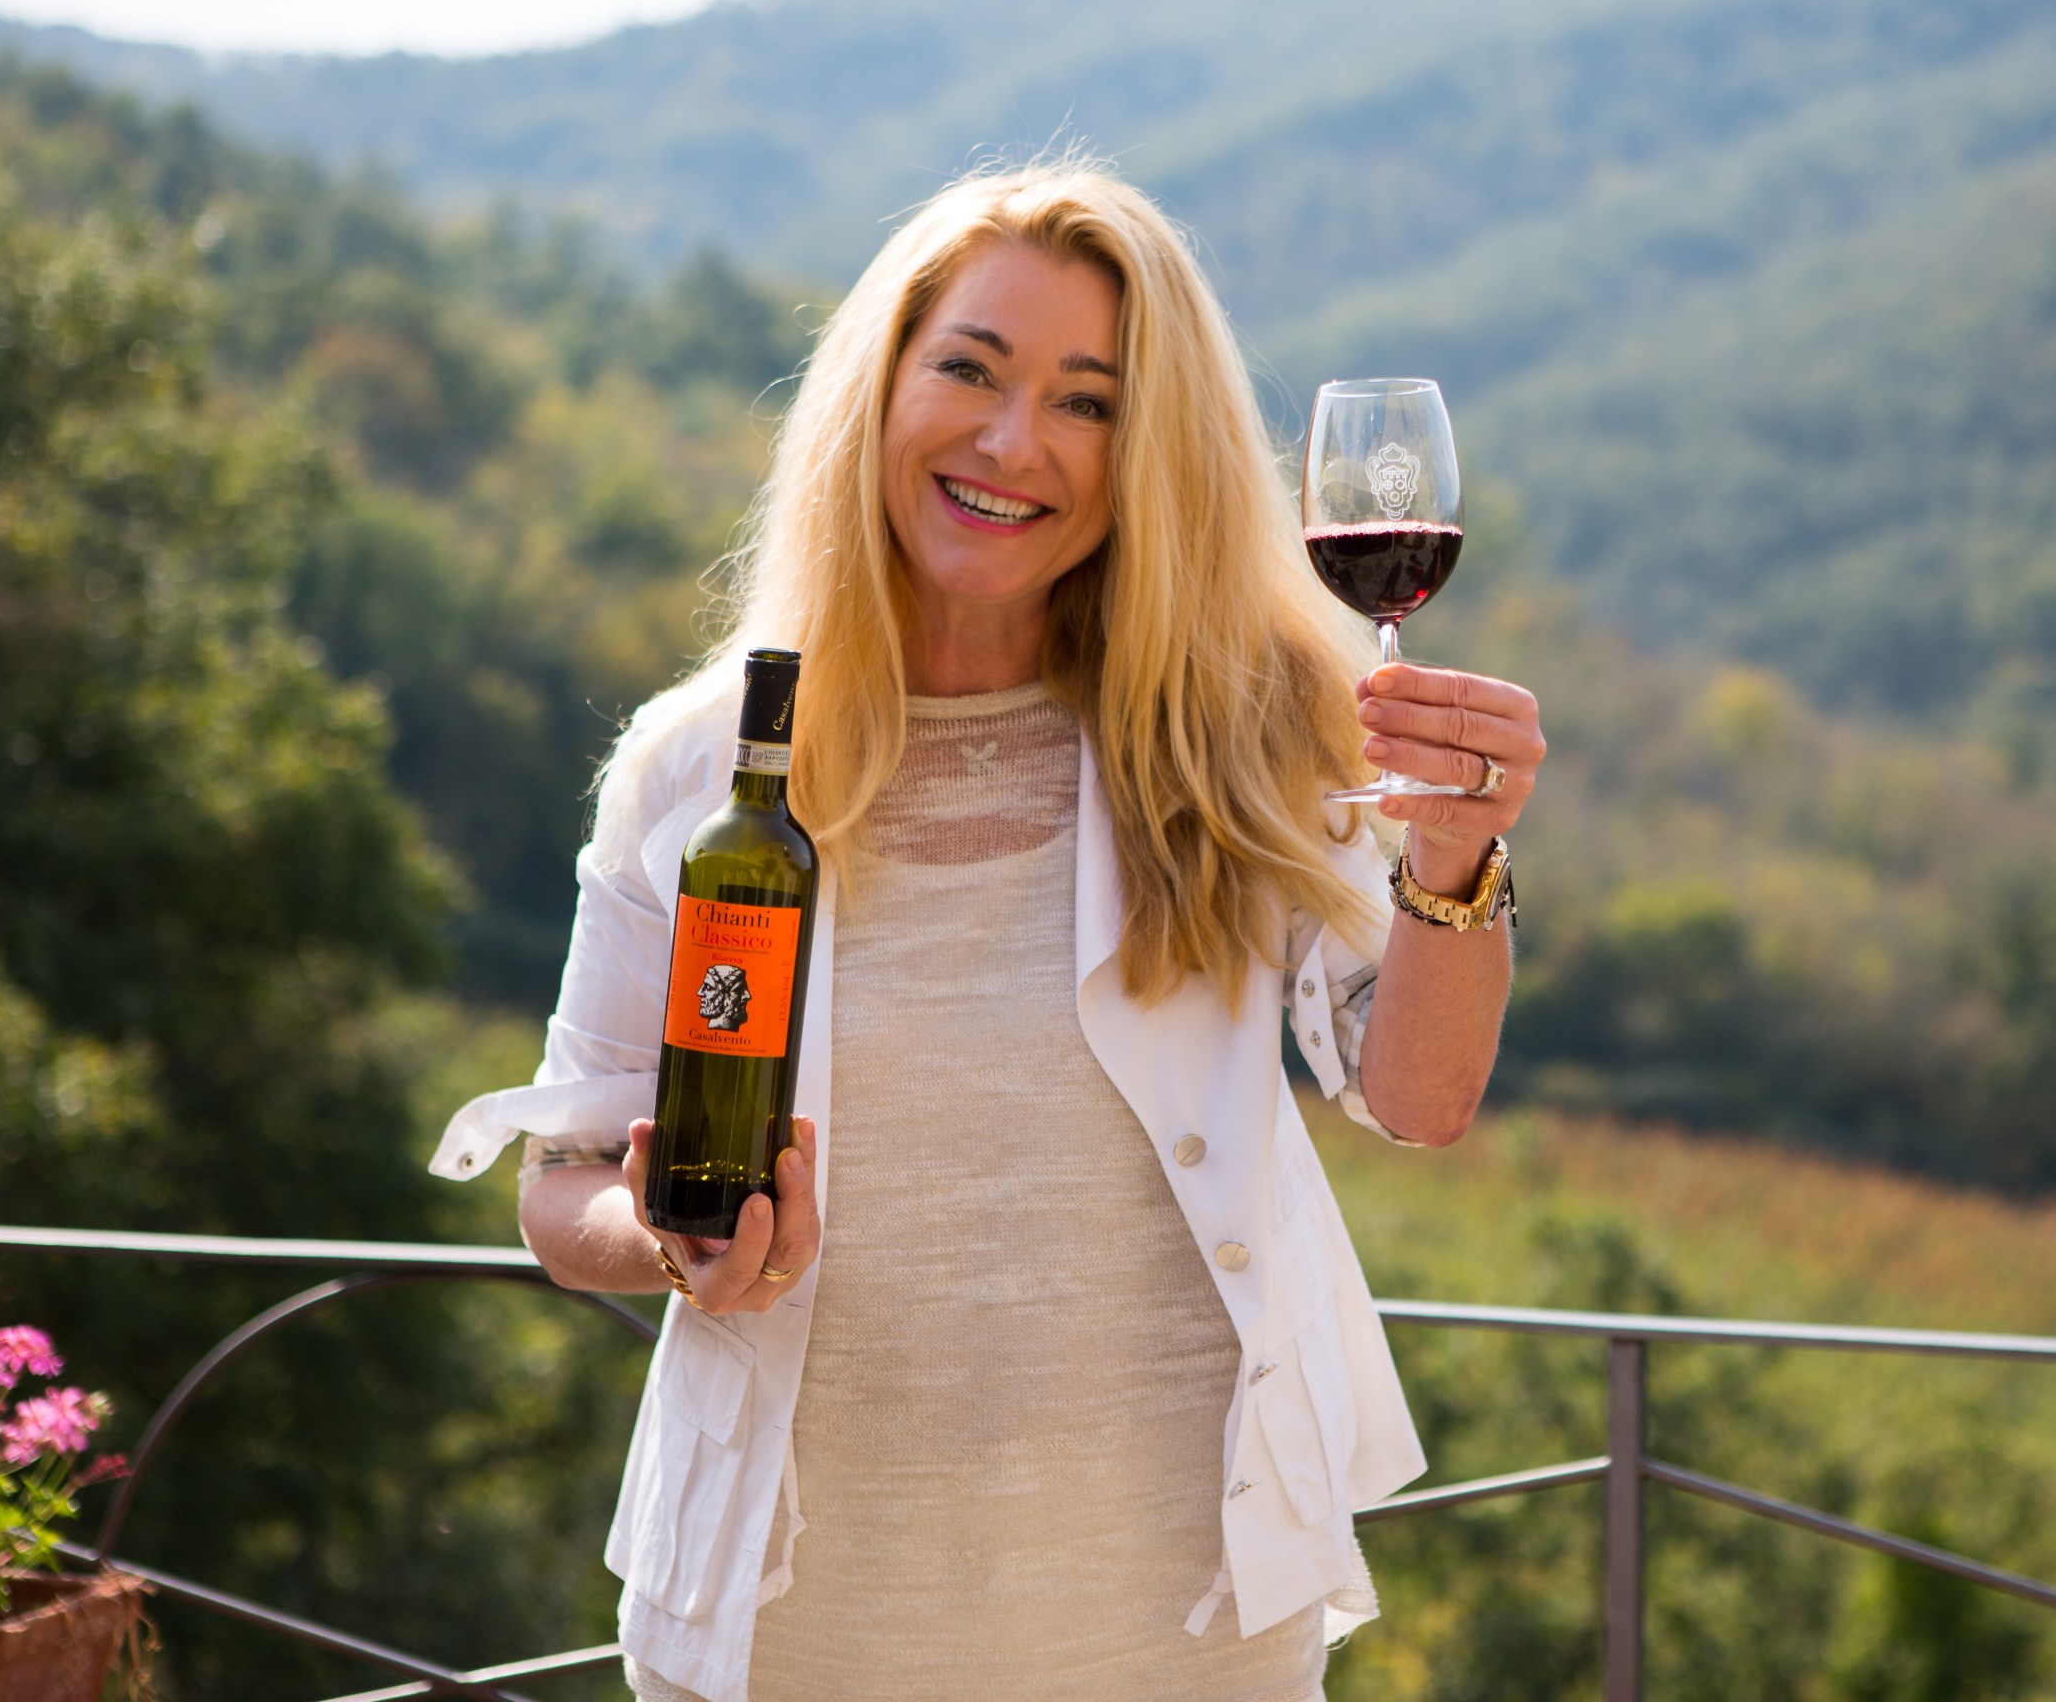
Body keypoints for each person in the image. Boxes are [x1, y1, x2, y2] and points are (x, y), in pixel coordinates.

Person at [430, 160, 1542, 1702]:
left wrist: (1462, 856)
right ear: (880, 389)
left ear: (1147, 452)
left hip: (1177, 1625)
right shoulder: (700, 771)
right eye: (970, 367)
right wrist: (680, 1244)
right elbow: (563, 1193)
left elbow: (1416, 1096)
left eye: (1089, 402)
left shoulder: (1247, 733)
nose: (1017, 441)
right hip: (794, 1622)